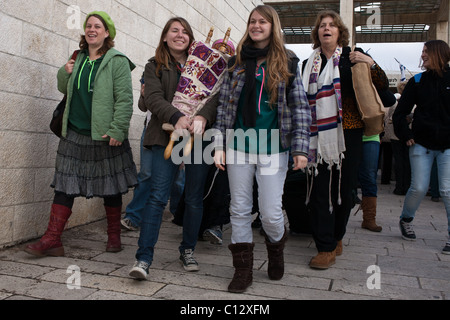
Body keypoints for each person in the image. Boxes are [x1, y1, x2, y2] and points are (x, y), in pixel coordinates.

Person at [213, 5, 311, 293]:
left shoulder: (289, 62)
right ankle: (242, 270)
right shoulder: (236, 62)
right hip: (239, 146)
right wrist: (218, 145)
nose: (256, 26)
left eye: (263, 22)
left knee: (269, 211)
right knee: (239, 208)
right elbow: (223, 108)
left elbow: (301, 109)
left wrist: (300, 149)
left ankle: (276, 249)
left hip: (272, 148)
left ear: (273, 26)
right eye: (252, 21)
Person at [25, 11, 137, 257]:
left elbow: (125, 99)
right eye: (89, 26)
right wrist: (64, 71)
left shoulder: (116, 60)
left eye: (98, 26)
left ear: (107, 33)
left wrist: (118, 128)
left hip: (105, 134)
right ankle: (53, 239)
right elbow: (64, 88)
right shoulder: (78, 56)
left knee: (111, 187)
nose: (92, 29)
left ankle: (114, 237)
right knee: (64, 185)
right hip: (74, 133)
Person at [129, 17, 218, 280]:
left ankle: (188, 249)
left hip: (199, 138)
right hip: (164, 135)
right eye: (174, 31)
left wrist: (203, 117)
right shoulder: (154, 65)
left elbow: (215, 97)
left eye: (185, 32)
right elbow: (153, 98)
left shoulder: (206, 65)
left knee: (193, 197)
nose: (180, 35)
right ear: (165, 37)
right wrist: (176, 116)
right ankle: (143, 258)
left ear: (191, 38)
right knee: (157, 196)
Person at [301, 10, 391, 269]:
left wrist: (370, 62)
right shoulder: (309, 63)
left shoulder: (352, 56)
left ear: (340, 31)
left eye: (331, 25)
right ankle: (325, 246)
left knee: (345, 190)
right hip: (317, 136)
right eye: (322, 26)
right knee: (320, 192)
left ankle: (337, 235)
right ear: (317, 33)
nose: (326, 28)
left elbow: (383, 89)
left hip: (349, 133)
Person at [393, 40, 450, 255]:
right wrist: (406, 135)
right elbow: (400, 113)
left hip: (447, 145)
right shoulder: (417, 81)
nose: (422, 55)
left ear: (438, 54)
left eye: (426, 51)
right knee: (418, 187)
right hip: (421, 143)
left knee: (447, 190)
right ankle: (406, 219)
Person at [389, 82, 411, 196]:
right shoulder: (413, 103)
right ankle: (406, 186)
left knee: (398, 161)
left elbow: (389, 117)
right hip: (409, 135)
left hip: (395, 135)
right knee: (407, 161)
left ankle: (399, 186)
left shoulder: (394, 103)